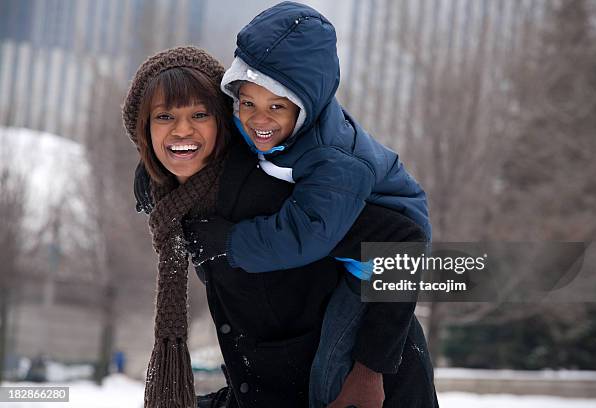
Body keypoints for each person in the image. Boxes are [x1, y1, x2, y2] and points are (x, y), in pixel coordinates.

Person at [123, 46, 438, 407]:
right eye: (163, 117)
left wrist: (369, 373)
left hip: (367, 393)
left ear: (223, 121)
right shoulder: (182, 205)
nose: (182, 130)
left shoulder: (270, 188)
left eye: (200, 114)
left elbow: (402, 242)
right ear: (143, 131)